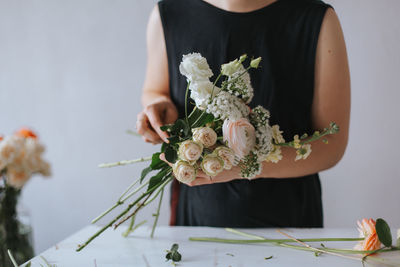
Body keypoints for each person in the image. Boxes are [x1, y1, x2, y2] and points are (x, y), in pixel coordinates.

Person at [136, 0, 350, 227]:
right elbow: (154, 90)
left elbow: (332, 144)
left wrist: (244, 166)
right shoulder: (168, 14)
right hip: (196, 219)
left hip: (291, 221)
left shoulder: (318, 19)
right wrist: (161, 112)